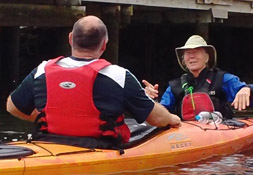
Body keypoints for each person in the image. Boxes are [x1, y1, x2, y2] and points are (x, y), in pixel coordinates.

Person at [6, 15, 181, 146]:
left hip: (48, 144)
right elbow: (156, 119)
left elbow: (12, 107)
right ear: (104, 45)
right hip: (99, 148)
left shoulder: (42, 70)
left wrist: (52, 118)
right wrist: (173, 118)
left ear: (70, 39)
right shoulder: (118, 75)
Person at [143, 35, 253, 120]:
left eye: (197, 52)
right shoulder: (175, 86)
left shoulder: (223, 79)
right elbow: (161, 113)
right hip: (185, 134)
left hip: (219, 129)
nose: (192, 56)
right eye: (188, 53)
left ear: (207, 58)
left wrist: (248, 89)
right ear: (183, 60)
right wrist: (150, 100)